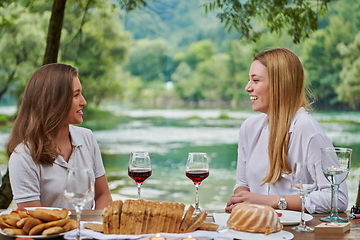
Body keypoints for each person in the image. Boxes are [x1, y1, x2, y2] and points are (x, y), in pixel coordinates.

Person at [225, 47, 348, 214]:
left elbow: (337, 199)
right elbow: (242, 184)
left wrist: (271, 202)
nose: (248, 87)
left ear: (279, 85)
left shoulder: (306, 128)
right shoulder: (249, 128)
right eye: (249, 80)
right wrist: (243, 200)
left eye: (256, 80)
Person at [6, 63, 112, 210]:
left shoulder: (87, 137)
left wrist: (93, 228)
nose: (84, 102)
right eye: (76, 95)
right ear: (54, 101)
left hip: (87, 232)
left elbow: (103, 195)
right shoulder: (23, 156)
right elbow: (32, 222)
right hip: (51, 234)